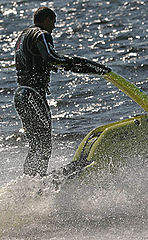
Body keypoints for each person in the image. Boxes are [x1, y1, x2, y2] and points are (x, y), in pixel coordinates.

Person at [14, 7, 111, 177]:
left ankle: (29, 180)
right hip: (33, 95)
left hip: (21, 94)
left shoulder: (23, 36)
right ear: (47, 20)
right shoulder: (41, 34)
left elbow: (33, 61)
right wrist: (72, 62)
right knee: (43, 145)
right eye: (54, 22)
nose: (54, 26)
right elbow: (52, 57)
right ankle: (37, 181)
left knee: (36, 144)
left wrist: (48, 65)